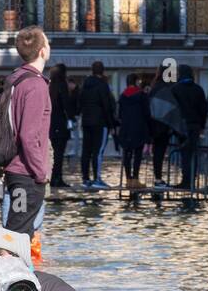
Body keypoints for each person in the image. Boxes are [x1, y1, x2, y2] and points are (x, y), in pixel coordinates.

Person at [0, 25, 52, 237]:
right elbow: (28, 135)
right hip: (26, 173)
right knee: (18, 233)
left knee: (18, 231)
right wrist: (41, 172)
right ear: (42, 51)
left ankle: (21, 268)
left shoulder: (15, 79)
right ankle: (11, 268)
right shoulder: (36, 85)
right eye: (47, 43)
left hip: (14, 169)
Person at [148, 63, 186, 191]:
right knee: (162, 151)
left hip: (154, 124)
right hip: (165, 125)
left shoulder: (154, 87)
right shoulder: (170, 88)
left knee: (157, 153)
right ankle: (184, 177)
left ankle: (158, 178)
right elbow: (173, 109)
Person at [78, 60, 116, 189]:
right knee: (98, 151)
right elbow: (107, 105)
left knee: (86, 151)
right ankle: (97, 179)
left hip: (86, 121)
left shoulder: (85, 85)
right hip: (100, 122)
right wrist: (111, 124)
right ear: (102, 71)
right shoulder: (102, 85)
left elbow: (80, 103)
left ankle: (85, 178)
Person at [173, 64, 208, 190]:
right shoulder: (198, 89)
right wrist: (202, 124)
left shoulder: (176, 89)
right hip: (195, 125)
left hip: (181, 126)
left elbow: (173, 109)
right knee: (193, 152)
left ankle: (186, 180)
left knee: (184, 154)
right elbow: (204, 109)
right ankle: (192, 179)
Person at [117, 73, 152, 196]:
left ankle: (128, 180)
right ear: (136, 81)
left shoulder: (122, 96)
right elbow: (147, 113)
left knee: (127, 154)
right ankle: (136, 179)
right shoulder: (142, 95)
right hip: (139, 127)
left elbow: (120, 115)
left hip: (126, 128)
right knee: (137, 154)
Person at [48, 62, 71, 189]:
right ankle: (58, 178)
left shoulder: (49, 86)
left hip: (50, 124)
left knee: (52, 153)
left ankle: (52, 177)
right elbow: (66, 105)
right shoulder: (62, 86)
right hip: (60, 123)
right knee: (59, 153)